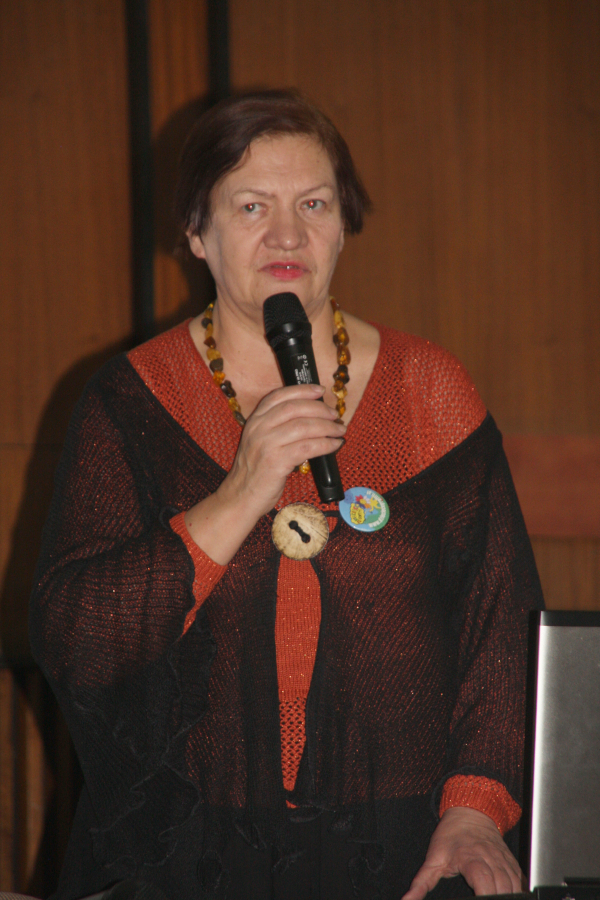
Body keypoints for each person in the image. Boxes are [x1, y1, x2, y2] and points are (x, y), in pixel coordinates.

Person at [30, 90, 543, 900]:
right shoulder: (130, 401)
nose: (287, 234)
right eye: (251, 206)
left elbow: (501, 632)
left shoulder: (430, 391)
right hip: (186, 852)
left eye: (313, 204)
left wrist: (476, 812)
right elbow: (77, 637)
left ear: (344, 225)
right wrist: (240, 492)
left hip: (405, 852)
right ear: (195, 232)